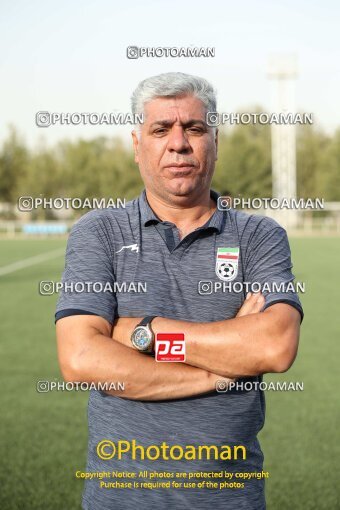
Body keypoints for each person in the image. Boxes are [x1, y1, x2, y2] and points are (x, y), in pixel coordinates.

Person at [55, 72, 303, 510]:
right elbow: (80, 358)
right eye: (160, 129)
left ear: (215, 141)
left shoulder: (260, 236)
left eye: (194, 128)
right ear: (137, 145)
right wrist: (220, 370)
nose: (179, 143)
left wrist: (147, 331)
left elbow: (276, 344)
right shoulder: (100, 232)